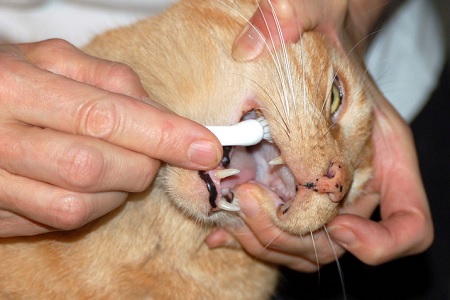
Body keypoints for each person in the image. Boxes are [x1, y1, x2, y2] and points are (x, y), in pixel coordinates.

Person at [0, 0, 441, 282]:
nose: (335, 183)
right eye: (335, 97)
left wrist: (348, 16)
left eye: (345, 194)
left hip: (407, 101)